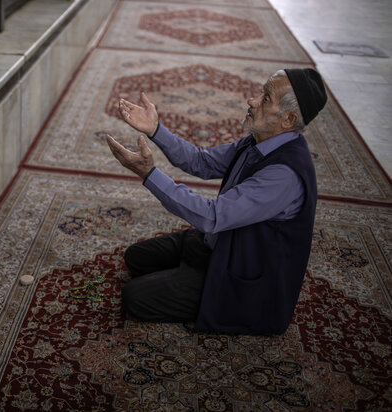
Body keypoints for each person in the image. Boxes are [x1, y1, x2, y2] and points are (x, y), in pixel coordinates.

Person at [106, 68, 327, 334]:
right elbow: (202, 162)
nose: (252, 101)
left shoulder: (283, 175)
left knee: (135, 298)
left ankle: (208, 290)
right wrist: (155, 129)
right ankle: (187, 274)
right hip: (223, 243)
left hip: (242, 269)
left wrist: (148, 174)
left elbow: (212, 217)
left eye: (265, 98)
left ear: (289, 119)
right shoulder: (261, 141)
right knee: (137, 258)